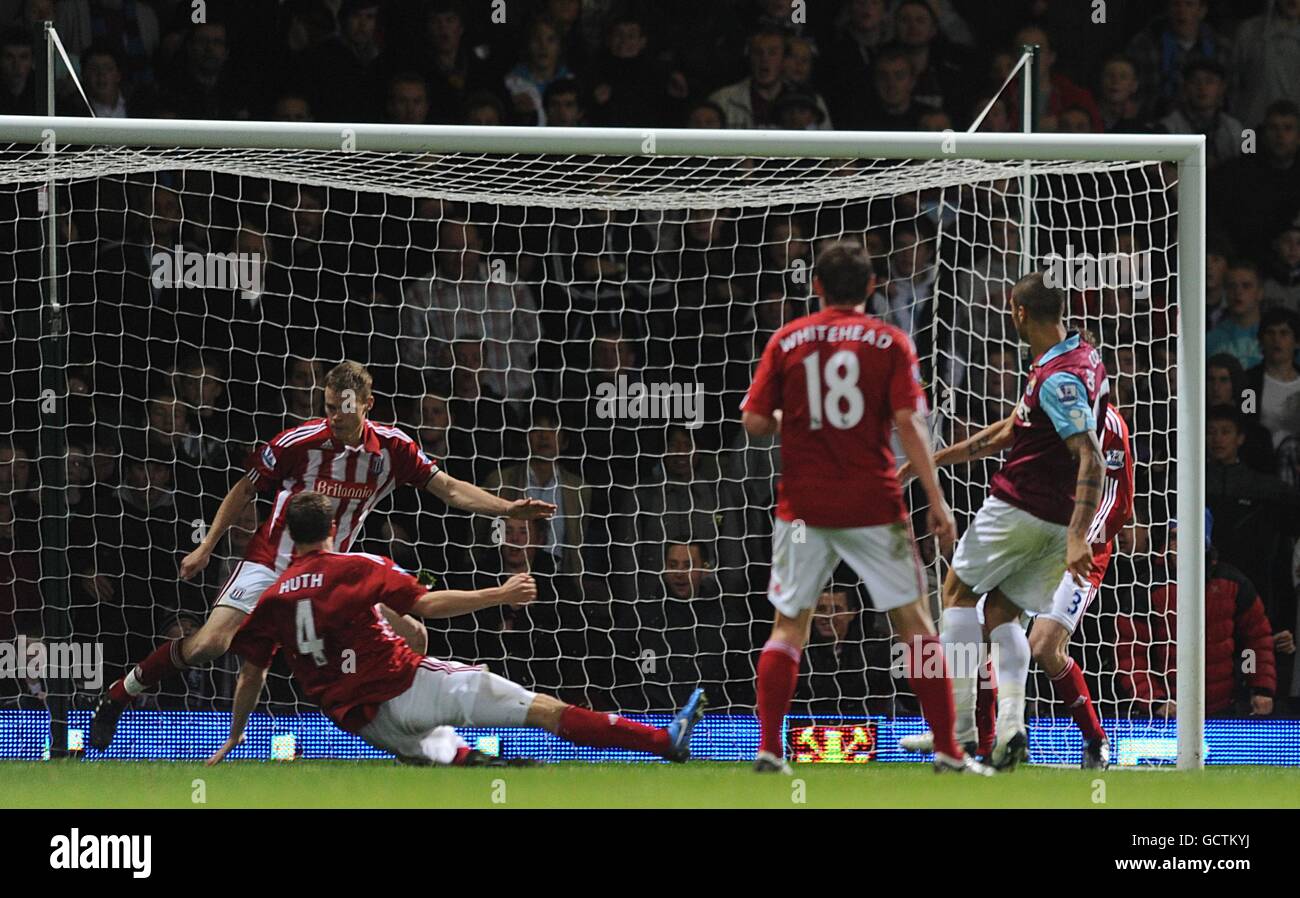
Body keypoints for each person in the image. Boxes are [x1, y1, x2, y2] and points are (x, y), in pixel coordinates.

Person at [90, 361, 557, 749]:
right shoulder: (300, 442)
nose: (334, 416)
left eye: (344, 410)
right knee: (212, 645)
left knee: (414, 635)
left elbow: (450, 489)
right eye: (329, 407)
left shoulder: (392, 449)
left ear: (367, 405)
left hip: (332, 574)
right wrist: (208, 545)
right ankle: (120, 692)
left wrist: (507, 506)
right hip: (270, 563)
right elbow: (244, 488)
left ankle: (414, 744)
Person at [206, 491, 706, 766]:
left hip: (366, 725)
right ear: (333, 527)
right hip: (408, 686)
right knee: (545, 710)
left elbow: (252, 674)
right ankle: (662, 742)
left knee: (448, 756)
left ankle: (478, 763)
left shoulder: (271, 598)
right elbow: (427, 604)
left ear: (290, 536)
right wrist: (499, 594)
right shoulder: (355, 565)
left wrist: (234, 737)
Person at [739, 240, 987, 775]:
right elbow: (909, 424)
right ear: (872, 288)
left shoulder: (787, 340)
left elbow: (755, 423)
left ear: (816, 286)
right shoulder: (889, 341)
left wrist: (793, 420)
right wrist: (937, 499)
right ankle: (948, 749)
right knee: (917, 626)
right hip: (874, 506)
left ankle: (770, 750)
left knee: (788, 627)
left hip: (802, 510)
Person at [935, 271, 1109, 770]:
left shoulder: (1056, 378)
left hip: (1022, 506)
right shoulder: (1083, 357)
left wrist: (1081, 536)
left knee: (956, 593)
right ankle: (1011, 729)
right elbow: (1015, 428)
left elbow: (1091, 457)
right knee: (1002, 615)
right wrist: (942, 458)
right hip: (1054, 522)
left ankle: (959, 734)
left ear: (1019, 312)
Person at [900, 404, 1133, 768]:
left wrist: (1080, 537)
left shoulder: (1107, 423)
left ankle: (1094, 740)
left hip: (1081, 547)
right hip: (1037, 526)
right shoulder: (1049, 392)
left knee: (1043, 647)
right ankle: (986, 744)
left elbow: (1116, 495)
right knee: (983, 628)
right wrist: (936, 459)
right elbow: (1005, 430)